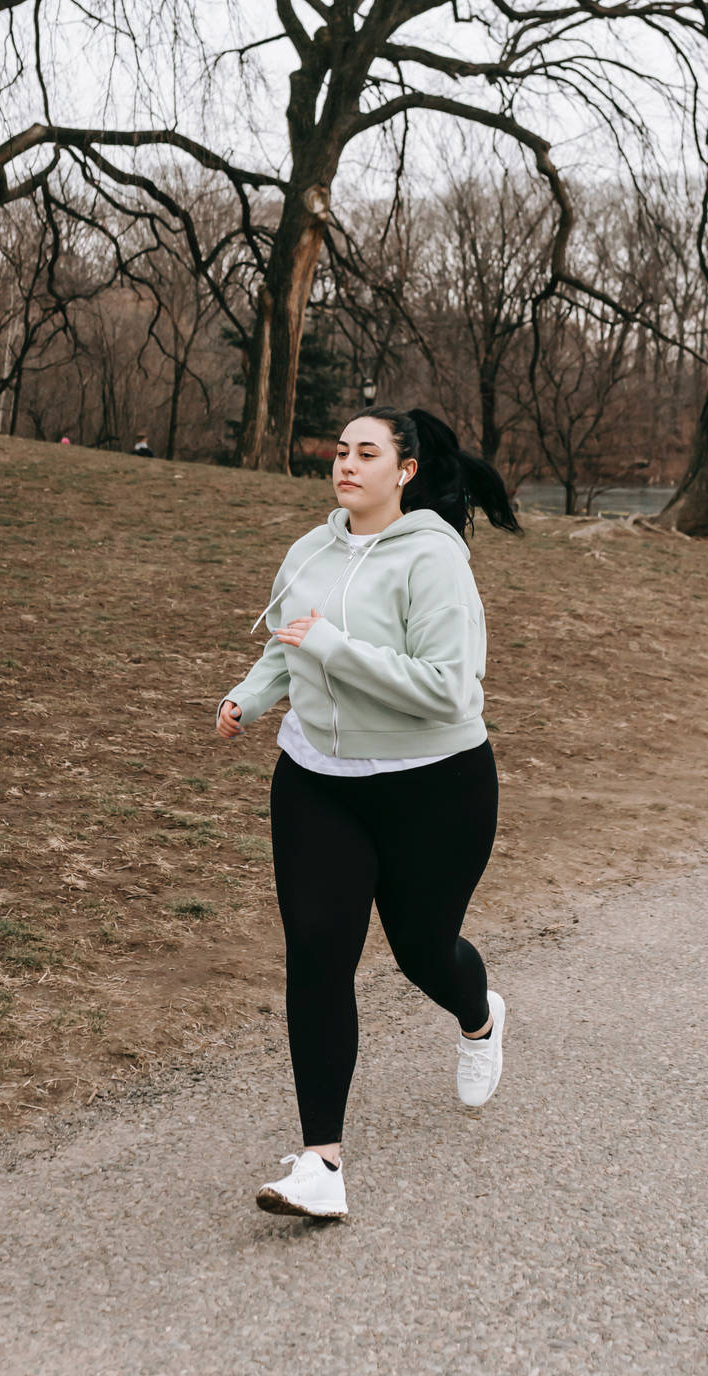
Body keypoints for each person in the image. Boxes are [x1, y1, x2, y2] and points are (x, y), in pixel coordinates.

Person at [216, 406, 518, 1222]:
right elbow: (287, 642)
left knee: (424, 951)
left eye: (367, 452)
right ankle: (321, 1164)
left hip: (436, 785)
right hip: (318, 779)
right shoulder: (308, 551)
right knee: (317, 952)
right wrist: (249, 698)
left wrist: (331, 650)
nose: (346, 463)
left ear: (406, 471)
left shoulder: (435, 560)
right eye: (341, 450)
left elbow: (449, 687)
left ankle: (479, 1015)